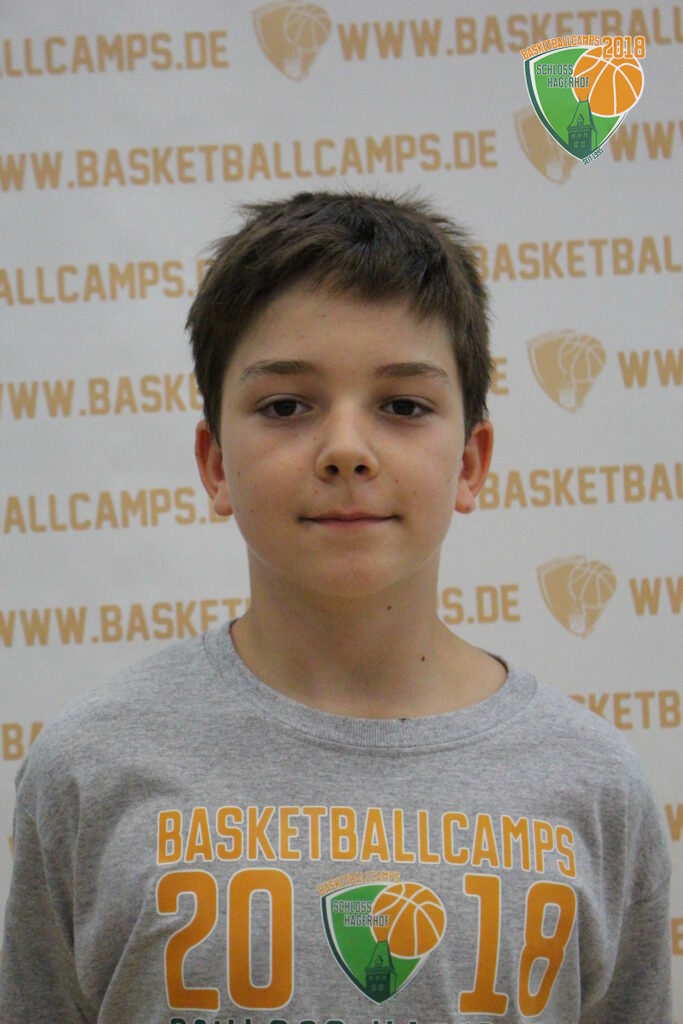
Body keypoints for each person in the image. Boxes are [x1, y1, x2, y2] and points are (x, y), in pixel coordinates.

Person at [0, 191, 671, 1023]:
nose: (346, 450)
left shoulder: (594, 786)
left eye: (403, 406)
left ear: (469, 463)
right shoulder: (90, 768)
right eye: (286, 406)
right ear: (215, 463)